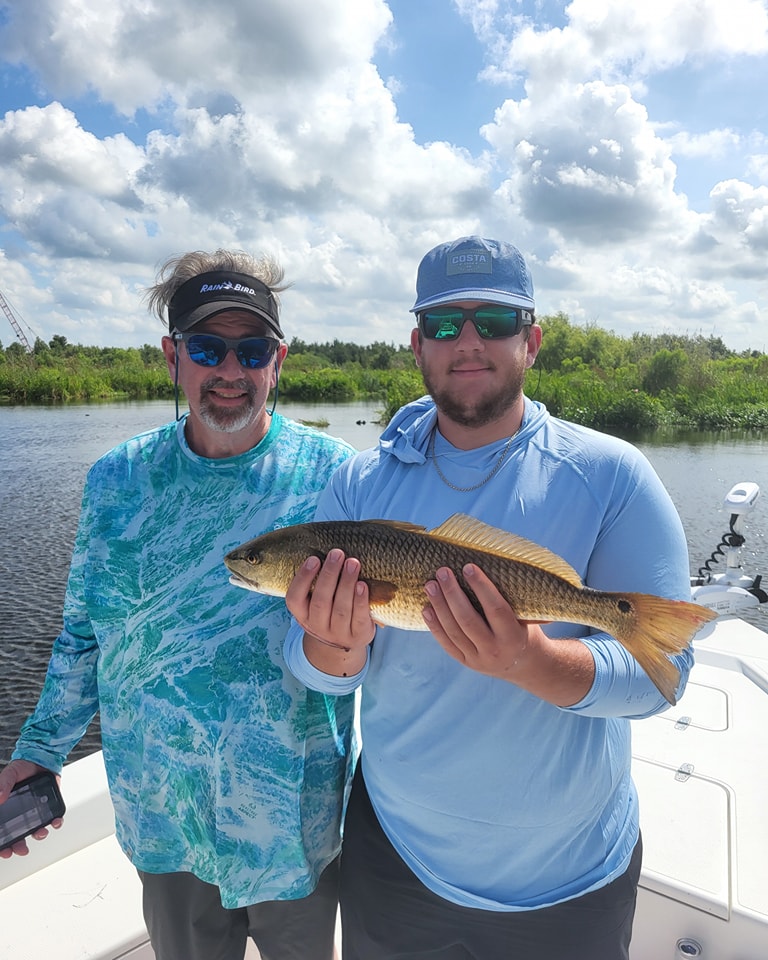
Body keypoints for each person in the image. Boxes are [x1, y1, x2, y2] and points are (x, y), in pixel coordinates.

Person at [283, 236, 695, 960]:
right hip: (394, 860)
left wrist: (529, 660)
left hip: (569, 880)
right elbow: (320, 671)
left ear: (531, 340)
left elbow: (662, 679)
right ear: (417, 346)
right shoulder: (358, 483)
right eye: (444, 325)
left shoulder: (612, 474)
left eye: (494, 321)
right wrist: (332, 641)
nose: (467, 341)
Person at [0, 250, 357, 960]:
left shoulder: (338, 478)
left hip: (293, 820)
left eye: (251, 349)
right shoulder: (117, 480)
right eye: (206, 348)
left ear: (277, 361)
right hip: (163, 812)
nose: (230, 370)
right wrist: (40, 749)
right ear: (172, 357)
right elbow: (81, 634)